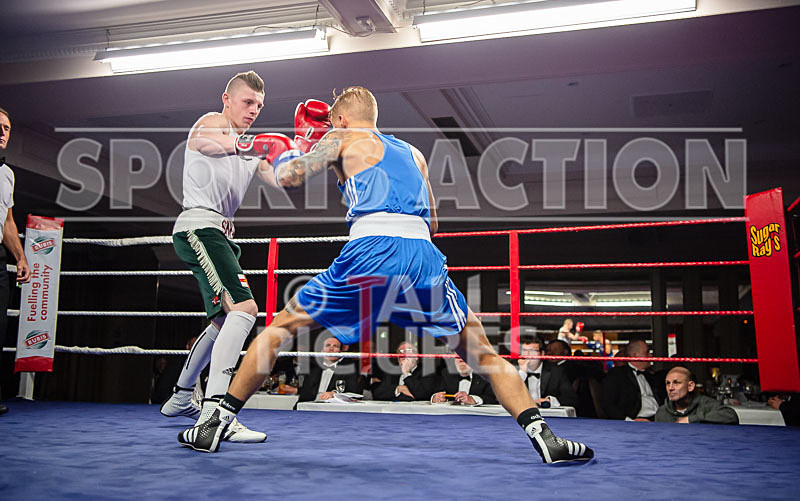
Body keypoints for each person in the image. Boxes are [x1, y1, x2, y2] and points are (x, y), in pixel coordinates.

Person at [177, 86, 593, 464]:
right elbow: (433, 222)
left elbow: (289, 177)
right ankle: (545, 437)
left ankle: (214, 424)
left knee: (279, 329)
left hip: (369, 251)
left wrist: (281, 146)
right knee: (482, 352)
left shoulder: (340, 138)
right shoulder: (415, 153)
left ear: (339, 119)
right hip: (423, 255)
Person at [160, 71, 293, 443]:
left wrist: (311, 149)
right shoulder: (212, 123)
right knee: (245, 311)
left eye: (259, 106)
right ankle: (216, 412)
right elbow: (211, 145)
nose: (253, 110)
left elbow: (283, 179)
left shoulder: (250, 149)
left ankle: (181, 397)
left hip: (218, 233)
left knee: (224, 320)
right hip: (199, 227)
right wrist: (259, 145)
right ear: (227, 99)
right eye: (248, 102)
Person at [0, 107, 32, 416]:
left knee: (0, 324)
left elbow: (7, 220)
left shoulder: (7, 174)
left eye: (7, 128)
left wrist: (20, 256)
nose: (2, 132)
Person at [602, 339, 664, 421]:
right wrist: (630, 421)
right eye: (647, 352)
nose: (651, 355)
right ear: (635, 356)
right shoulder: (617, 374)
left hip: (659, 419)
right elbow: (608, 404)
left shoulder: (650, 376)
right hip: (637, 421)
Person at [655, 367, 737, 424]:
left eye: (676, 383)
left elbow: (731, 416)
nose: (670, 388)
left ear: (690, 386)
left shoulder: (706, 404)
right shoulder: (662, 412)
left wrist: (692, 420)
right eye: (668, 383)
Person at [298, 334, 362, 402]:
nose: (331, 349)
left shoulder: (348, 370)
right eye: (327, 345)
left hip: (333, 408)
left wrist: (334, 393)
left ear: (340, 352)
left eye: (335, 346)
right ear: (321, 350)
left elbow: (354, 393)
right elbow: (304, 395)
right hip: (310, 407)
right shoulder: (313, 369)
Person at [517, 337, 577, 408]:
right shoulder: (512, 370)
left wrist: (550, 401)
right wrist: (522, 373)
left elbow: (572, 399)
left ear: (542, 354)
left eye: (532, 351)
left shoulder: (557, 371)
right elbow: (504, 397)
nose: (527, 354)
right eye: (524, 350)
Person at [372, 341, 436, 401]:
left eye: (408, 351)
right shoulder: (392, 371)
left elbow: (423, 395)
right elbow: (377, 394)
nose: (403, 354)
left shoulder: (427, 371)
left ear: (416, 356)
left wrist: (406, 373)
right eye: (400, 352)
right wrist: (398, 389)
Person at [432, 353, 497, 406]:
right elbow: (431, 392)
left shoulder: (487, 374)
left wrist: (472, 399)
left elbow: (494, 398)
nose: (461, 360)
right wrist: (435, 398)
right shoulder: (446, 373)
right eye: (457, 357)